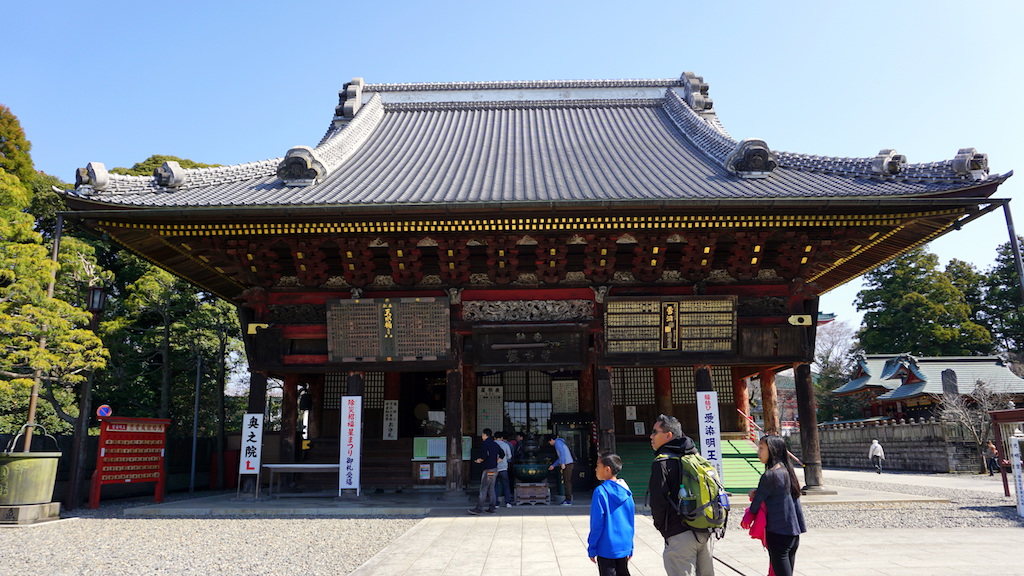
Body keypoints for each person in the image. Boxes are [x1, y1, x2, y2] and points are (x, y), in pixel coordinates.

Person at [648, 414, 714, 576]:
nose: (651, 436)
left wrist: (664, 529)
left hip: (678, 534)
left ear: (668, 435)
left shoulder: (662, 463)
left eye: (655, 432)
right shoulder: (695, 458)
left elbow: (657, 502)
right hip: (704, 530)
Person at [747, 434, 807, 576]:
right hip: (793, 533)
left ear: (772, 450)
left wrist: (752, 496)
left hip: (778, 533)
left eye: (761, 448)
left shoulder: (770, 475)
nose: (758, 452)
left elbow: (755, 506)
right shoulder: (787, 472)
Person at [588, 453, 635, 576]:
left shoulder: (600, 492)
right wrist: (630, 545)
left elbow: (597, 523)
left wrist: (592, 547)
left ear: (607, 469)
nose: (596, 469)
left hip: (606, 547)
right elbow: (630, 520)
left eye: (598, 466)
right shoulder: (626, 491)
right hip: (624, 545)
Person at [468, 428, 504, 515]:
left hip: (488, 469)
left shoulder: (485, 444)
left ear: (484, 435)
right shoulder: (495, 444)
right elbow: (502, 454)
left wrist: (478, 460)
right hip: (494, 469)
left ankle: (479, 508)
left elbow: (483, 457)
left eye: (482, 435)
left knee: (483, 489)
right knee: (491, 489)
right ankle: (492, 507)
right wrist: (496, 462)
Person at [546, 434, 575, 505]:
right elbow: (560, 457)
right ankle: (567, 499)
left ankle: (568, 500)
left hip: (567, 464)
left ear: (551, 440)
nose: (550, 444)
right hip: (568, 463)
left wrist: (562, 463)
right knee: (566, 482)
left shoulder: (557, 443)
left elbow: (562, 453)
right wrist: (553, 465)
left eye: (549, 442)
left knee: (567, 482)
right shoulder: (560, 442)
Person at [493, 431, 514, 507]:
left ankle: (495, 503)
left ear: (494, 438)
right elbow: (509, 456)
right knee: (505, 485)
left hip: (494, 468)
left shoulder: (492, 445)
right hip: (503, 468)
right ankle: (508, 502)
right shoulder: (506, 445)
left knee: (494, 486)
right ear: (502, 438)